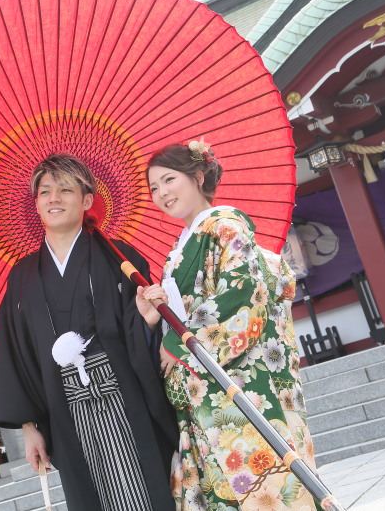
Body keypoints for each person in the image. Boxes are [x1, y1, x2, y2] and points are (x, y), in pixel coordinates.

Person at [0, 153, 178, 511]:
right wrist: (28, 427)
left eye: (65, 189)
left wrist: (147, 320)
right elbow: (16, 352)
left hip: (123, 396)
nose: (53, 198)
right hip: (64, 407)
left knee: (143, 494)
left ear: (87, 200)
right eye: (44, 192)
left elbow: (140, 328)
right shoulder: (22, 276)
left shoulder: (120, 257)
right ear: (36, 204)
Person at [137, 141, 322, 511]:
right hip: (201, 387)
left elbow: (241, 295)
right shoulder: (178, 249)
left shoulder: (225, 226)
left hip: (239, 383)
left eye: (168, 180)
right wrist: (154, 317)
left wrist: (176, 344)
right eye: (154, 188)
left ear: (198, 176)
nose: (161, 193)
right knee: (224, 486)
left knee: (262, 483)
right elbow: (184, 314)